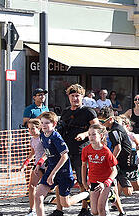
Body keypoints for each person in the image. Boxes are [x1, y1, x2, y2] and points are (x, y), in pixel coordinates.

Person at [32, 111, 90, 216]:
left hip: (63, 172)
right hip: (51, 169)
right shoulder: (42, 136)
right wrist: (40, 163)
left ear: (54, 124)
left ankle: (86, 194)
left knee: (66, 203)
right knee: (38, 195)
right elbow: (48, 152)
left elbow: (65, 156)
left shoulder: (56, 137)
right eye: (42, 123)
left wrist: (53, 173)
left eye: (47, 123)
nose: (43, 125)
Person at [57, 84, 99, 216]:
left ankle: (85, 208)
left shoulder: (88, 111)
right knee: (60, 180)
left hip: (82, 150)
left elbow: (98, 128)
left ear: (82, 97)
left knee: (82, 181)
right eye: (72, 96)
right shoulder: (65, 112)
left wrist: (85, 134)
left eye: (77, 96)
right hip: (65, 151)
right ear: (68, 97)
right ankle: (59, 210)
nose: (75, 98)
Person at [80, 124, 118, 216]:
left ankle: (109, 193)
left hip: (105, 182)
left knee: (101, 208)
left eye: (94, 134)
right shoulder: (86, 150)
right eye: (89, 135)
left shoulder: (106, 151)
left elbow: (114, 170)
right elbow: (84, 166)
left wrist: (106, 182)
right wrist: (84, 182)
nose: (91, 137)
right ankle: (111, 196)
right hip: (93, 181)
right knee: (94, 211)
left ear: (101, 136)